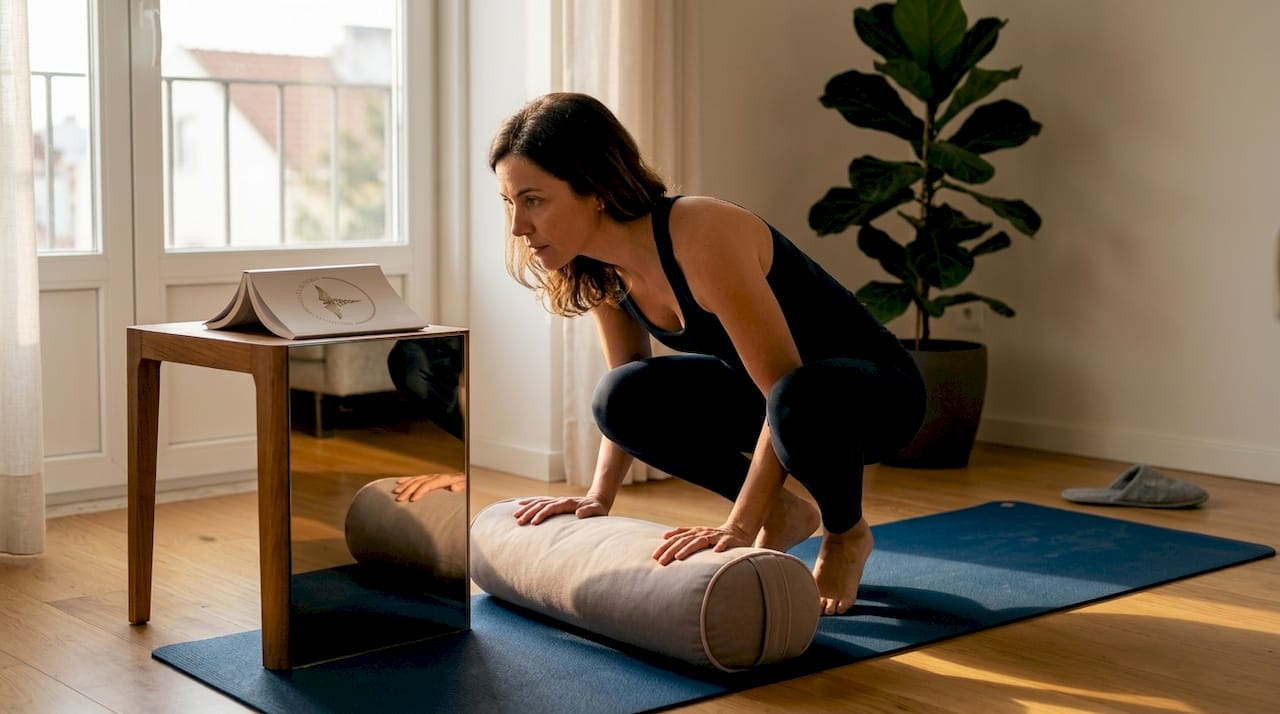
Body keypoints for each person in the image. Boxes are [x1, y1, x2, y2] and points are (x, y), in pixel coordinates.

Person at [489, 92, 925, 615]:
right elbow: (628, 394)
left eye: (533, 200)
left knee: (797, 396)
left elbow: (782, 387)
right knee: (620, 396)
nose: (518, 226)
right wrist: (596, 499)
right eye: (510, 203)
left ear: (595, 188)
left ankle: (846, 532)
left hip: (870, 399)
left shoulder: (698, 232)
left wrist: (738, 526)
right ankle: (784, 513)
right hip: (780, 405)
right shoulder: (598, 266)